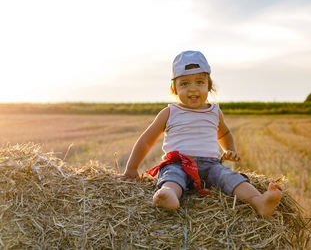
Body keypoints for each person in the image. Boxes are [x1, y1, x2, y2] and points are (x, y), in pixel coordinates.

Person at [116, 50, 282, 217]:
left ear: (208, 86)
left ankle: (258, 201)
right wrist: (131, 168)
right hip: (178, 163)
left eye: (199, 82)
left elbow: (224, 134)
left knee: (231, 177)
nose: (193, 89)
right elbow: (146, 141)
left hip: (210, 165)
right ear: (174, 89)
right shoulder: (169, 112)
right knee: (172, 177)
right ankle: (169, 195)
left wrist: (229, 150)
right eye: (185, 84)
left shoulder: (214, 112)